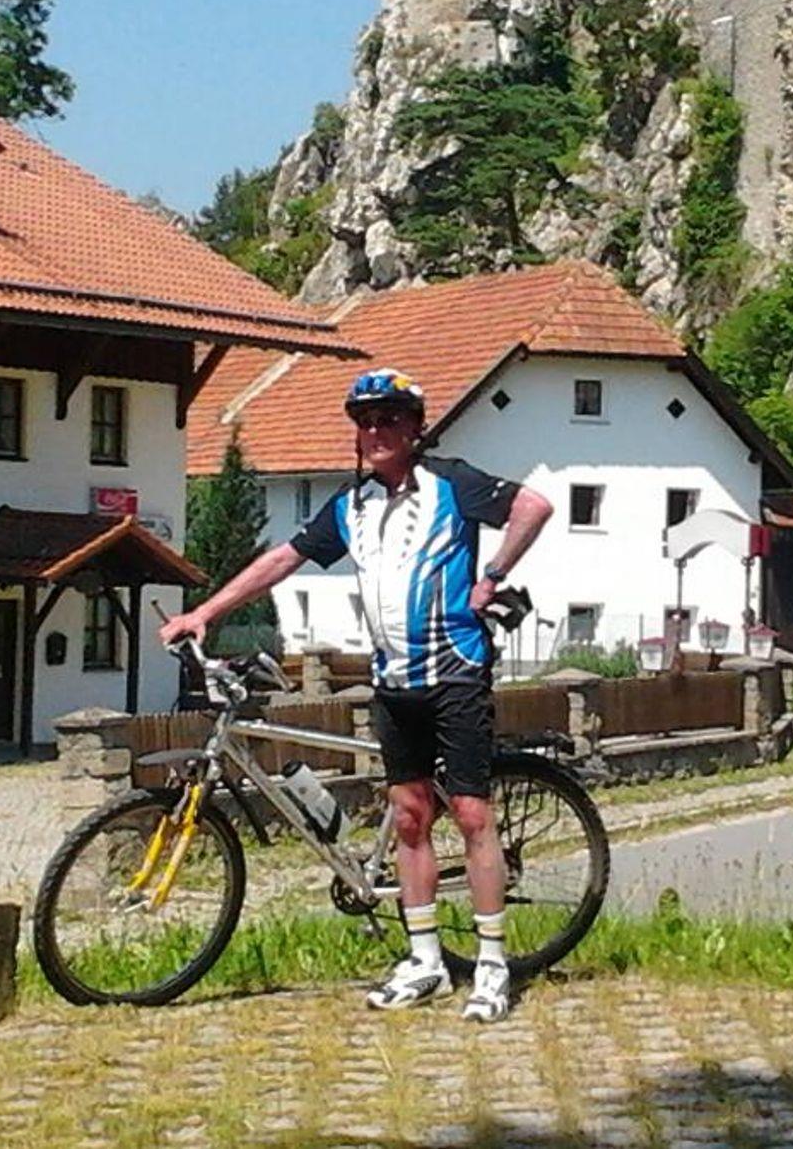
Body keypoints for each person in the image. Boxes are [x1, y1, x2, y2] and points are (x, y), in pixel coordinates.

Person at [158, 367, 554, 1022]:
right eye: (365, 422)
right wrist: (206, 611)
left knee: (471, 815)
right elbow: (283, 558)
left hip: (455, 674)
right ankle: (425, 961)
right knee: (409, 818)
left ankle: (490, 965)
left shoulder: (451, 483)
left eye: (389, 419)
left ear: (414, 427)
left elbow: (533, 506)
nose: (375, 432)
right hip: (393, 682)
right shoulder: (353, 505)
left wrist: (492, 575)